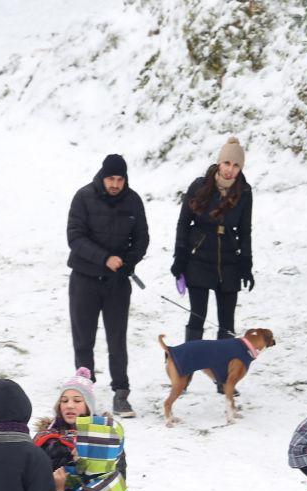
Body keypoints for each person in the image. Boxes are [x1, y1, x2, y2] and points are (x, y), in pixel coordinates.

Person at [66, 153, 150, 417]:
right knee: (84, 339)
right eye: (111, 178)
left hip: (117, 284)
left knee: (117, 339)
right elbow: (75, 237)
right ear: (102, 177)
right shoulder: (83, 197)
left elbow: (142, 238)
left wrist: (128, 261)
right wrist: (105, 258)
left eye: (120, 179)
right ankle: (84, 392)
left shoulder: (133, 201)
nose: (115, 184)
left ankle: (121, 393)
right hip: (84, 279)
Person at [170, 136, 253, 393]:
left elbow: (245, 230)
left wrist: (246, 264)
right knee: (198, 316)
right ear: (219, 163)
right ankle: (184, 373)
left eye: (235, 165)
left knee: (226, 323)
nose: (230, 169)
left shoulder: (244, 192)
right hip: (199, 258)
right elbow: (183, 223)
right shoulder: (200, 186)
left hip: (228, 260)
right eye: (226, 163)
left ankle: (223, 379)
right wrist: (179, 258)